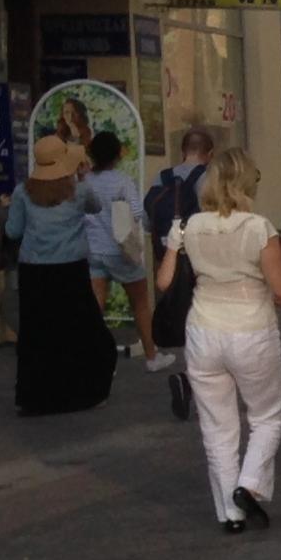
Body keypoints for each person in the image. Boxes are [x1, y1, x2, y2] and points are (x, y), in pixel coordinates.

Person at [155, 147, 281, 531]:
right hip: (251, 329)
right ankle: (248, 485)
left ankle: (230, 516)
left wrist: (172, 245)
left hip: (203, 330)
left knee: (217, 427)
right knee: (267, 416)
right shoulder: (258, 228)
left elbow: (164, 282)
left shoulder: (189, 226)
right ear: (248, 183)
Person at [4, 133, 117, 417]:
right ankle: (84, 391)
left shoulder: (22, 192)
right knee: (80, 330)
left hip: (34, 271)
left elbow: (12, 231)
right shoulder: (78, 191)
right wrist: (83, 176)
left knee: (37, 332)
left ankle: (35, 397)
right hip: (71, 269)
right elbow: (97, 207)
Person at [77, 129, 167, 375]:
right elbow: (137, 213)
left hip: (93, 251)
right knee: (140, 304)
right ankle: (151, 356)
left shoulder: (85, 182)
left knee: (95, 310)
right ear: (118, 155)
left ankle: (98, 361)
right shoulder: (123, 181)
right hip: (121, 251)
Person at [147, 126, 217, 421]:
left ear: (182, 151)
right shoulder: (205, 179)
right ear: (209, 154)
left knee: (186, 319)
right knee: (204, 322)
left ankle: (191, 379)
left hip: (167, 257)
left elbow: (148, 221)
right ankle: (194, 382)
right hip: (196, 261)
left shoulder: (161, 178)